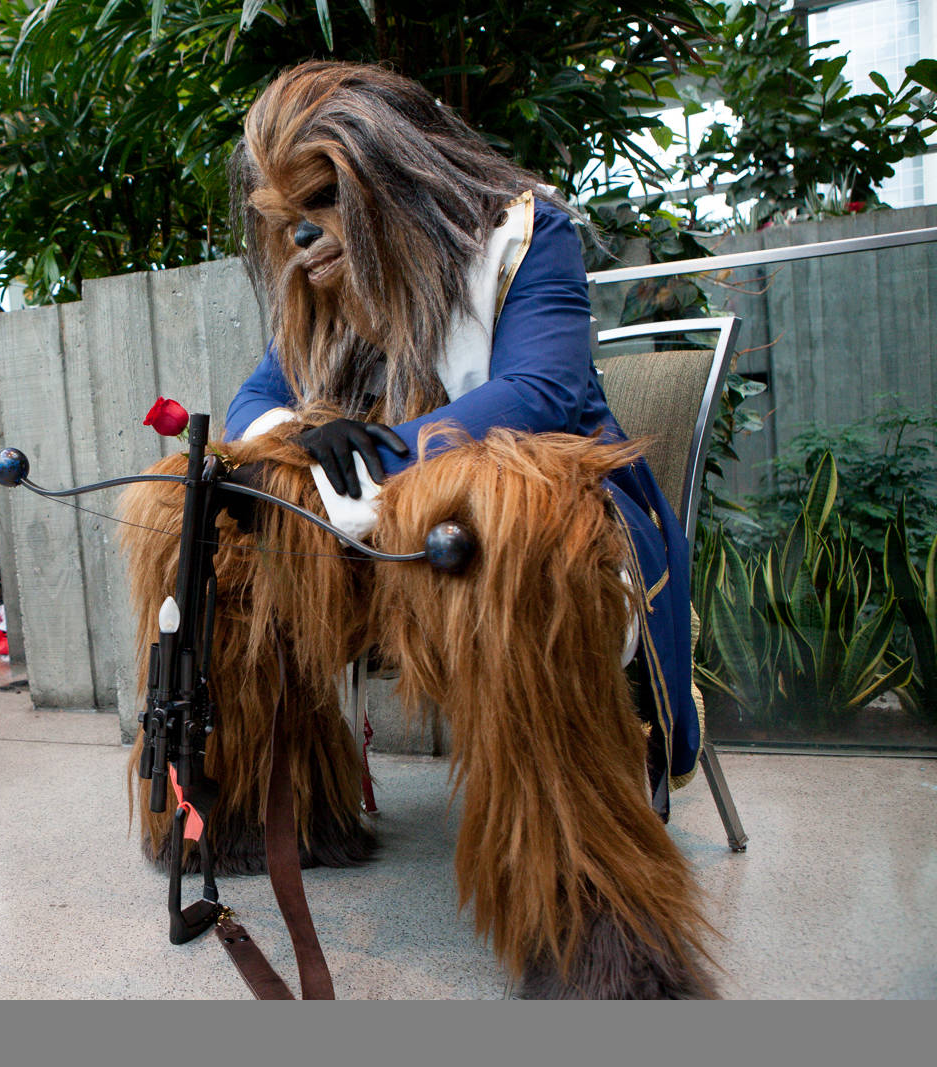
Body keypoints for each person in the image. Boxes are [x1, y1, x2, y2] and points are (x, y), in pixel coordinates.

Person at [123, 62, 713, 997]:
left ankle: (584, 904)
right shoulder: (322, 283)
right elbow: (259, 397)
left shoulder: (525, 237)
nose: (304, 237)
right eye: (287, 221)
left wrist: (396, 449)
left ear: (389, 180)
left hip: (520, 521)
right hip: (372, 533)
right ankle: (247, 807)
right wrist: (298, 437)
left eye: (321, 203)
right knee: (195, 502)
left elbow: (545, 390)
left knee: (501, 516)